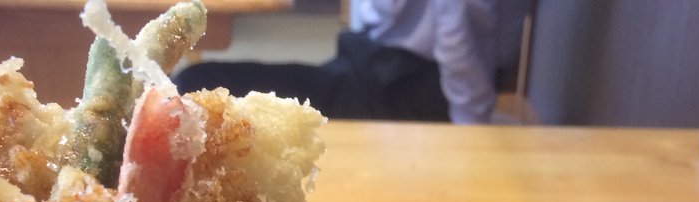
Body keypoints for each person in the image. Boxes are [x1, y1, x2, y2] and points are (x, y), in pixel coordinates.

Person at [173, 0, 528, 124]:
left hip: (413, 87)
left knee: (198, 80)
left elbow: (459, 25)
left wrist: (471, 123)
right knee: (198, 78)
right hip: (378, 65)